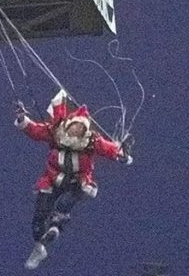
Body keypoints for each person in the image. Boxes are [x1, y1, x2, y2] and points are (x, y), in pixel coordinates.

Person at [14, 90, 133, 269]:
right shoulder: (55, 132)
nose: (76, 130)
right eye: (74, 126)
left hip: (75, 182)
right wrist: (23, 119)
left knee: (65, 203)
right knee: (40, 214)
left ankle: (56, 225)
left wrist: (122, 154)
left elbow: (110, 150)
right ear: (68, 124)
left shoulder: (92, 142)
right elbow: (35, 130)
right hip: (51, 180)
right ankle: (40, 243)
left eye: (81, 129)